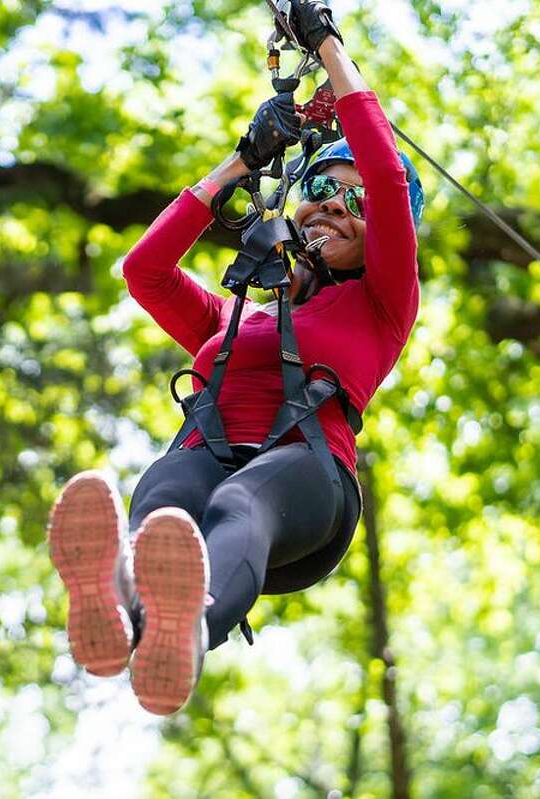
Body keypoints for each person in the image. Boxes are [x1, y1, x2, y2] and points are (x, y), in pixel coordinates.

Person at [46, 0, 424, 716]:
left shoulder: (382, 304)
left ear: (389, 227)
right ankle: (122, 615)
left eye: (361, 202)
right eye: (320, 188)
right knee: (170, 487)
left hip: (307, 477)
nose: (334, 206)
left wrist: (328, 44)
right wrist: (244, 159)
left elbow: (379, 155)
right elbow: (144, 270)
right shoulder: (234, 315)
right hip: (208, 450)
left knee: (237, 500)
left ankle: (187, 631)